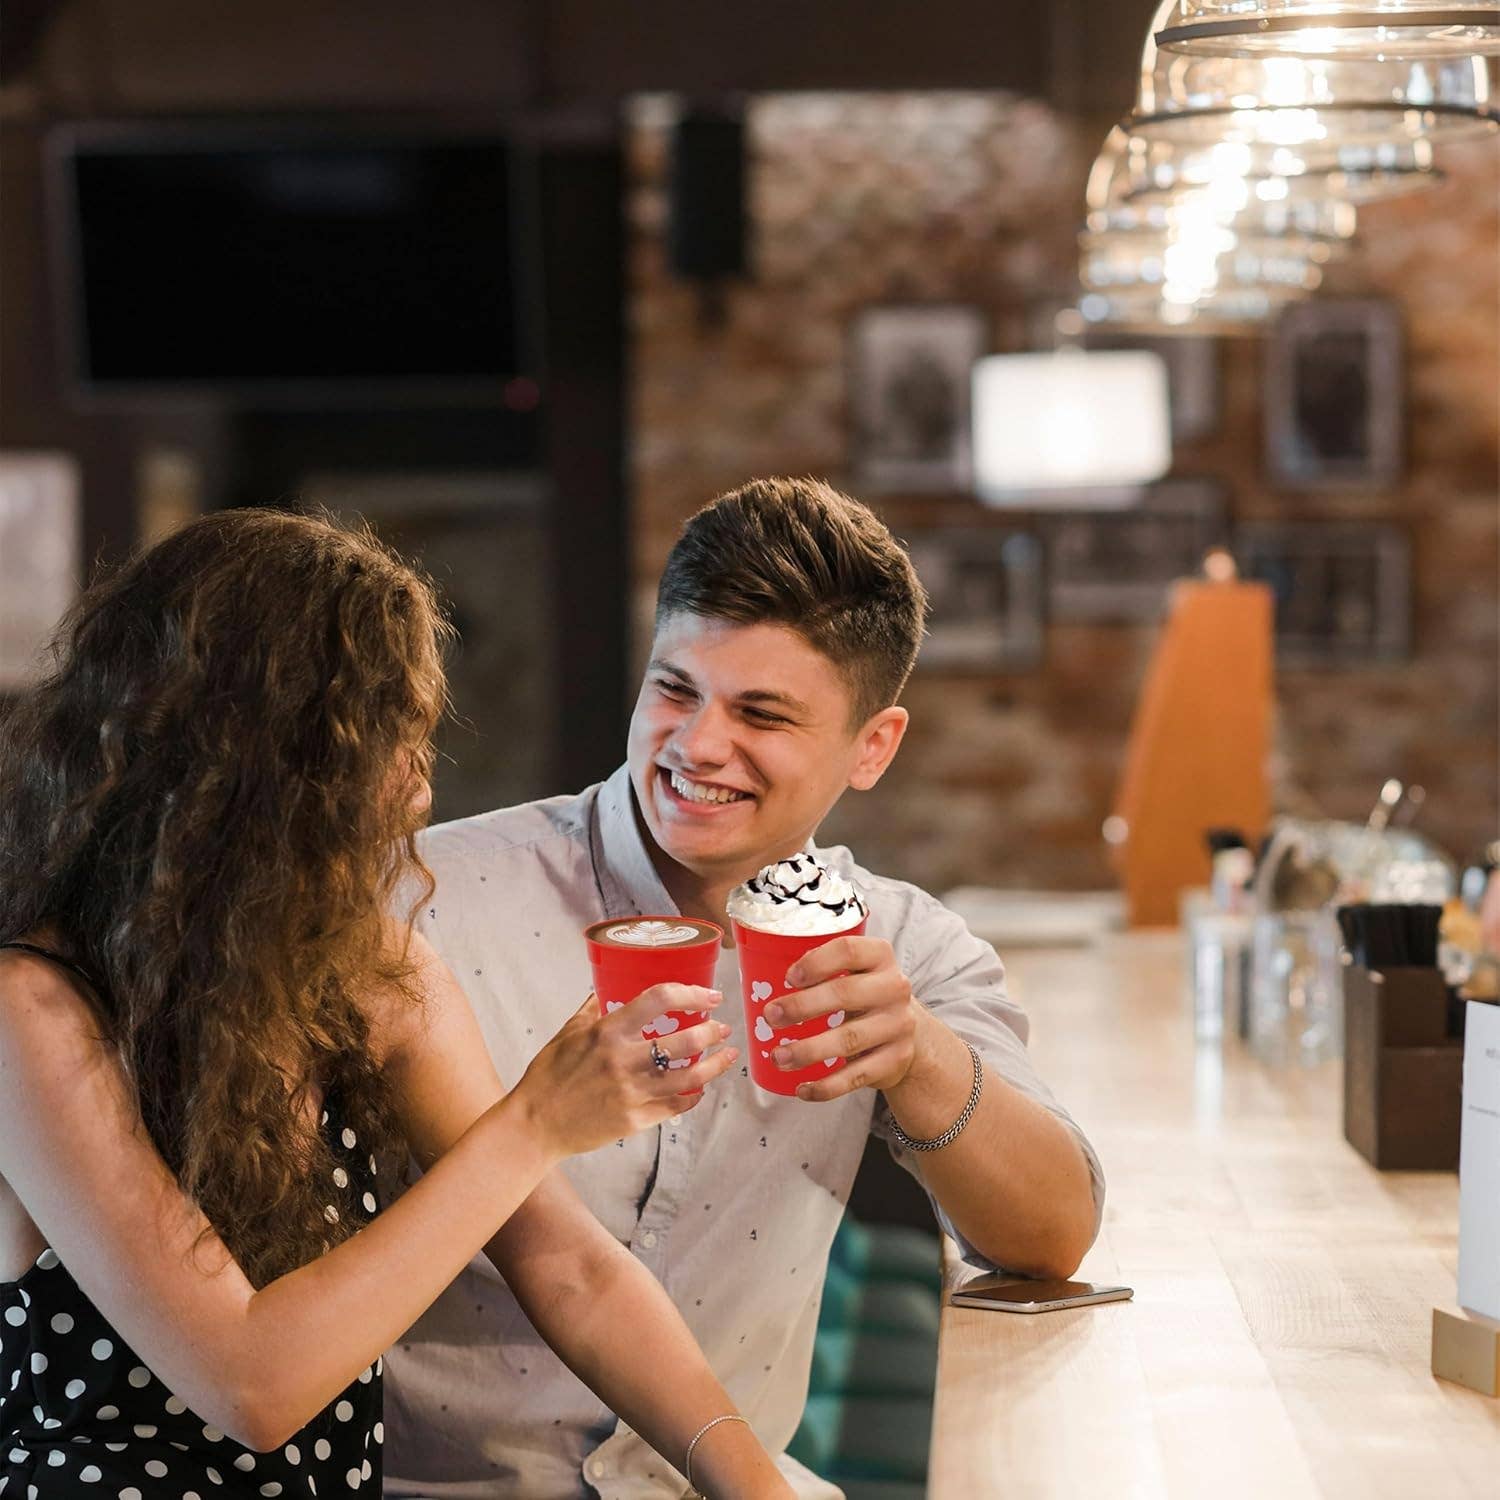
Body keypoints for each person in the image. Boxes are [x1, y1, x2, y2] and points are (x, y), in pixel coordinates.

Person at [0, 508, 793, 1500]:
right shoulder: (35, 1007)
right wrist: (536, 1123)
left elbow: (573, 1273)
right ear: (256, 758)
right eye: (383, 742)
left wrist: (758, 1484)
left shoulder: (368, 970)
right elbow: (251, 1381)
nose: (418, 790)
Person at [385, 477, 1106, 1499]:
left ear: (874, 747)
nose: (699, 745)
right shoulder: (422, 901)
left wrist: (919, 1060)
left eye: (761, 714)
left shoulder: (898, 945)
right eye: (676, 690)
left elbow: (1052, 1236)